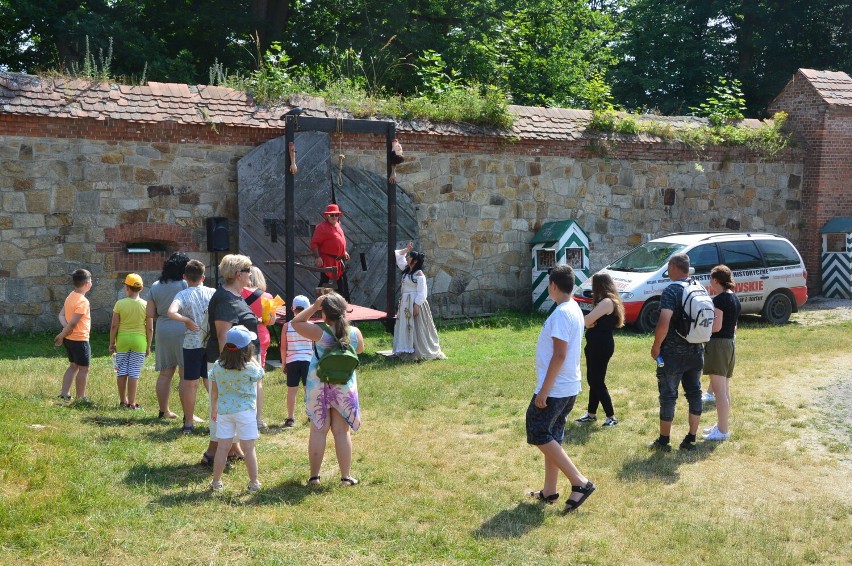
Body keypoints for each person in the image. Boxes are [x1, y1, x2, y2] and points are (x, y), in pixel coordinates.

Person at [525, 265, 596, 512]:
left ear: (553, 286)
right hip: (569, 386)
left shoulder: (561, 314)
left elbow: (559, 355)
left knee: (537, 430)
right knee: (552, 436)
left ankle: (580, 482)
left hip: (556, 388)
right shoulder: (574, 308)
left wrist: (543, 391)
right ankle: (549, 491)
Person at [290, 292, 364, 487]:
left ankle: (314, 477)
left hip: (319, 386)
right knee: (341, 432)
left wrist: (314, 307)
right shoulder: (354, 333)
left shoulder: (319, 332)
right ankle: (346, 477)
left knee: (319, 430)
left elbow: (296, 323)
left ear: (325, 313)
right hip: (343, 387)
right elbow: (360, 350)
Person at [201, 254, 260, 465]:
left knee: (233, 405)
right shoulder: (226, 299)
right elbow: (223, 336)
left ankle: (232, 449)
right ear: (238, 274)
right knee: (224, 406)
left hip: (237, 361)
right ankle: (212, 453)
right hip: (230, 363)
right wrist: (235, 366)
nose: (250, 274)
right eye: (248, 270)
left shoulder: (235, 295)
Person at [649, 253, 704, 452]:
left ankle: (664, 441)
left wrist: (656, 346)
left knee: (668, 395)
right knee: (695, 393)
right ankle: (691, 438)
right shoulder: (698, 287)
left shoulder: (671, 290)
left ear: (673, 266)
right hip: (696, 351)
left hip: (671, 355)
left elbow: (664, 322)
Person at [209, 325, 264, 493]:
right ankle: (253, 482)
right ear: (248, 349)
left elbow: (214, 391)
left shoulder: (218, 366)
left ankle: (216, 482)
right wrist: (253, 358)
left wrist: (214, 408)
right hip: (245, 413)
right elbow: (261, 374)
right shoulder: (250, 368)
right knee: (248, 448)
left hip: (224, 412)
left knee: (223, 448)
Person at [167, 259, 216, 434]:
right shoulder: (212, 292)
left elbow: (171, 312)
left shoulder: (182, 295)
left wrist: (186, 320)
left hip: (192, 344)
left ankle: (188, 423)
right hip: (211, 342)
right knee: (212, 382)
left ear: (184, 277)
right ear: (203, 277)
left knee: (190, 383)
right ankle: (217, 421)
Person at [575, 273, 625, 427]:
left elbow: (587, 320)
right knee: (593, 380)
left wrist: (590, 323)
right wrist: (590, 323)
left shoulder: (607, 302)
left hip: (601, 345)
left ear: (598, 286)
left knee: (596, 381)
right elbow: (589, 322)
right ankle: (591, 414)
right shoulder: (607, 301)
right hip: (595, 344)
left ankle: (611, 416)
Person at [147, 252, 190, 419]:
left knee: (165, 373)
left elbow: (150, 313)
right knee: (185, 373)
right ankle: (188, 414)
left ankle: (164, 411)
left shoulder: (156, 285)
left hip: (163, 328)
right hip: (182, 327)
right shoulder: (184, 284)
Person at [702, 265, 741, 441]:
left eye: (711, 279)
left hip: (718, 346)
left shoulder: (719, 300)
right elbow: (733, 327)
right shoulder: (734, 298)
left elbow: (716, 326)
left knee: (719, 392)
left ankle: (723, 431)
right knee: (724, 389)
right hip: (730, 345)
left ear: (715, 280)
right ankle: (721, 425)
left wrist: (701, 331)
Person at [392, 242, 446, 361]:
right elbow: (398, 256)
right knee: (405, 325)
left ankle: (418, 349)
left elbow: (422, 292)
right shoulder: (406, 270)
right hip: (406, 303)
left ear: (415, 261)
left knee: (417, 326)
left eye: (410, 256)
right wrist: (406, 249)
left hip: (415, 303)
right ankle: (405, 348)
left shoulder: (419, 274)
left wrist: (416, 305)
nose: (407, 258)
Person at [109, 273, 152, 410]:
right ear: (142, 288)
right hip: (140, 341)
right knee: (134, 372)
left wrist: (112, 343)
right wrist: (148, 346)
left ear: (126, 288)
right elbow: (150, 328)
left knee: (122, 371)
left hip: (123, 340)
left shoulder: (120, 304)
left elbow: (114, 325)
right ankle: (132, 403)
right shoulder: (146, 305)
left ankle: (123, 401)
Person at [241, 266, 273, 429]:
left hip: (240, 336)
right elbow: (271, 321)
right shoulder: (266, 296)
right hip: (261, 335)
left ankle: (242, 414)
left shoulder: (237, 293)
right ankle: (258, 419)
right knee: (258, 377)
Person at [54, 269, 93, 403]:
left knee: (73, 366)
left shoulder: (70, 295)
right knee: (84, 369)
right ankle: (81, 398)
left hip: (69, 340)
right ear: (87, 283)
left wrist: (64, 330)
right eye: (91, 280)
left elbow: (61, 315)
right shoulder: (83, 301)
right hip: (79, 340)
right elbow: (73, 324)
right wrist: (62, 334)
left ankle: (64, 394)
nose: (92, 282)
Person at [280, 295, 313, 428]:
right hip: (308, 361)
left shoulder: (287, 326)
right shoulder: (311, 326)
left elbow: (283, 347)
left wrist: (284, 363)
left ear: (292, 308)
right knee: (309, 390)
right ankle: (311, 415)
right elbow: (314, 345)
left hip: (292, 361)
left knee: (292, 391)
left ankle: (290, 418)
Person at [310, 203, 350, 301]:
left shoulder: (338, 225)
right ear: (327, 215)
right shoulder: (322, 227)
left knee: (340, 286)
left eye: (336, 215)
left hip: (338, 262)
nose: (334, 217)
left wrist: (343, 251)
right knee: (324, 284)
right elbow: (314, 244)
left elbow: (339, 241)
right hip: (327, 261)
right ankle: (317, 305)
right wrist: (317, 257)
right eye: (332, 215)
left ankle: (341, 306)